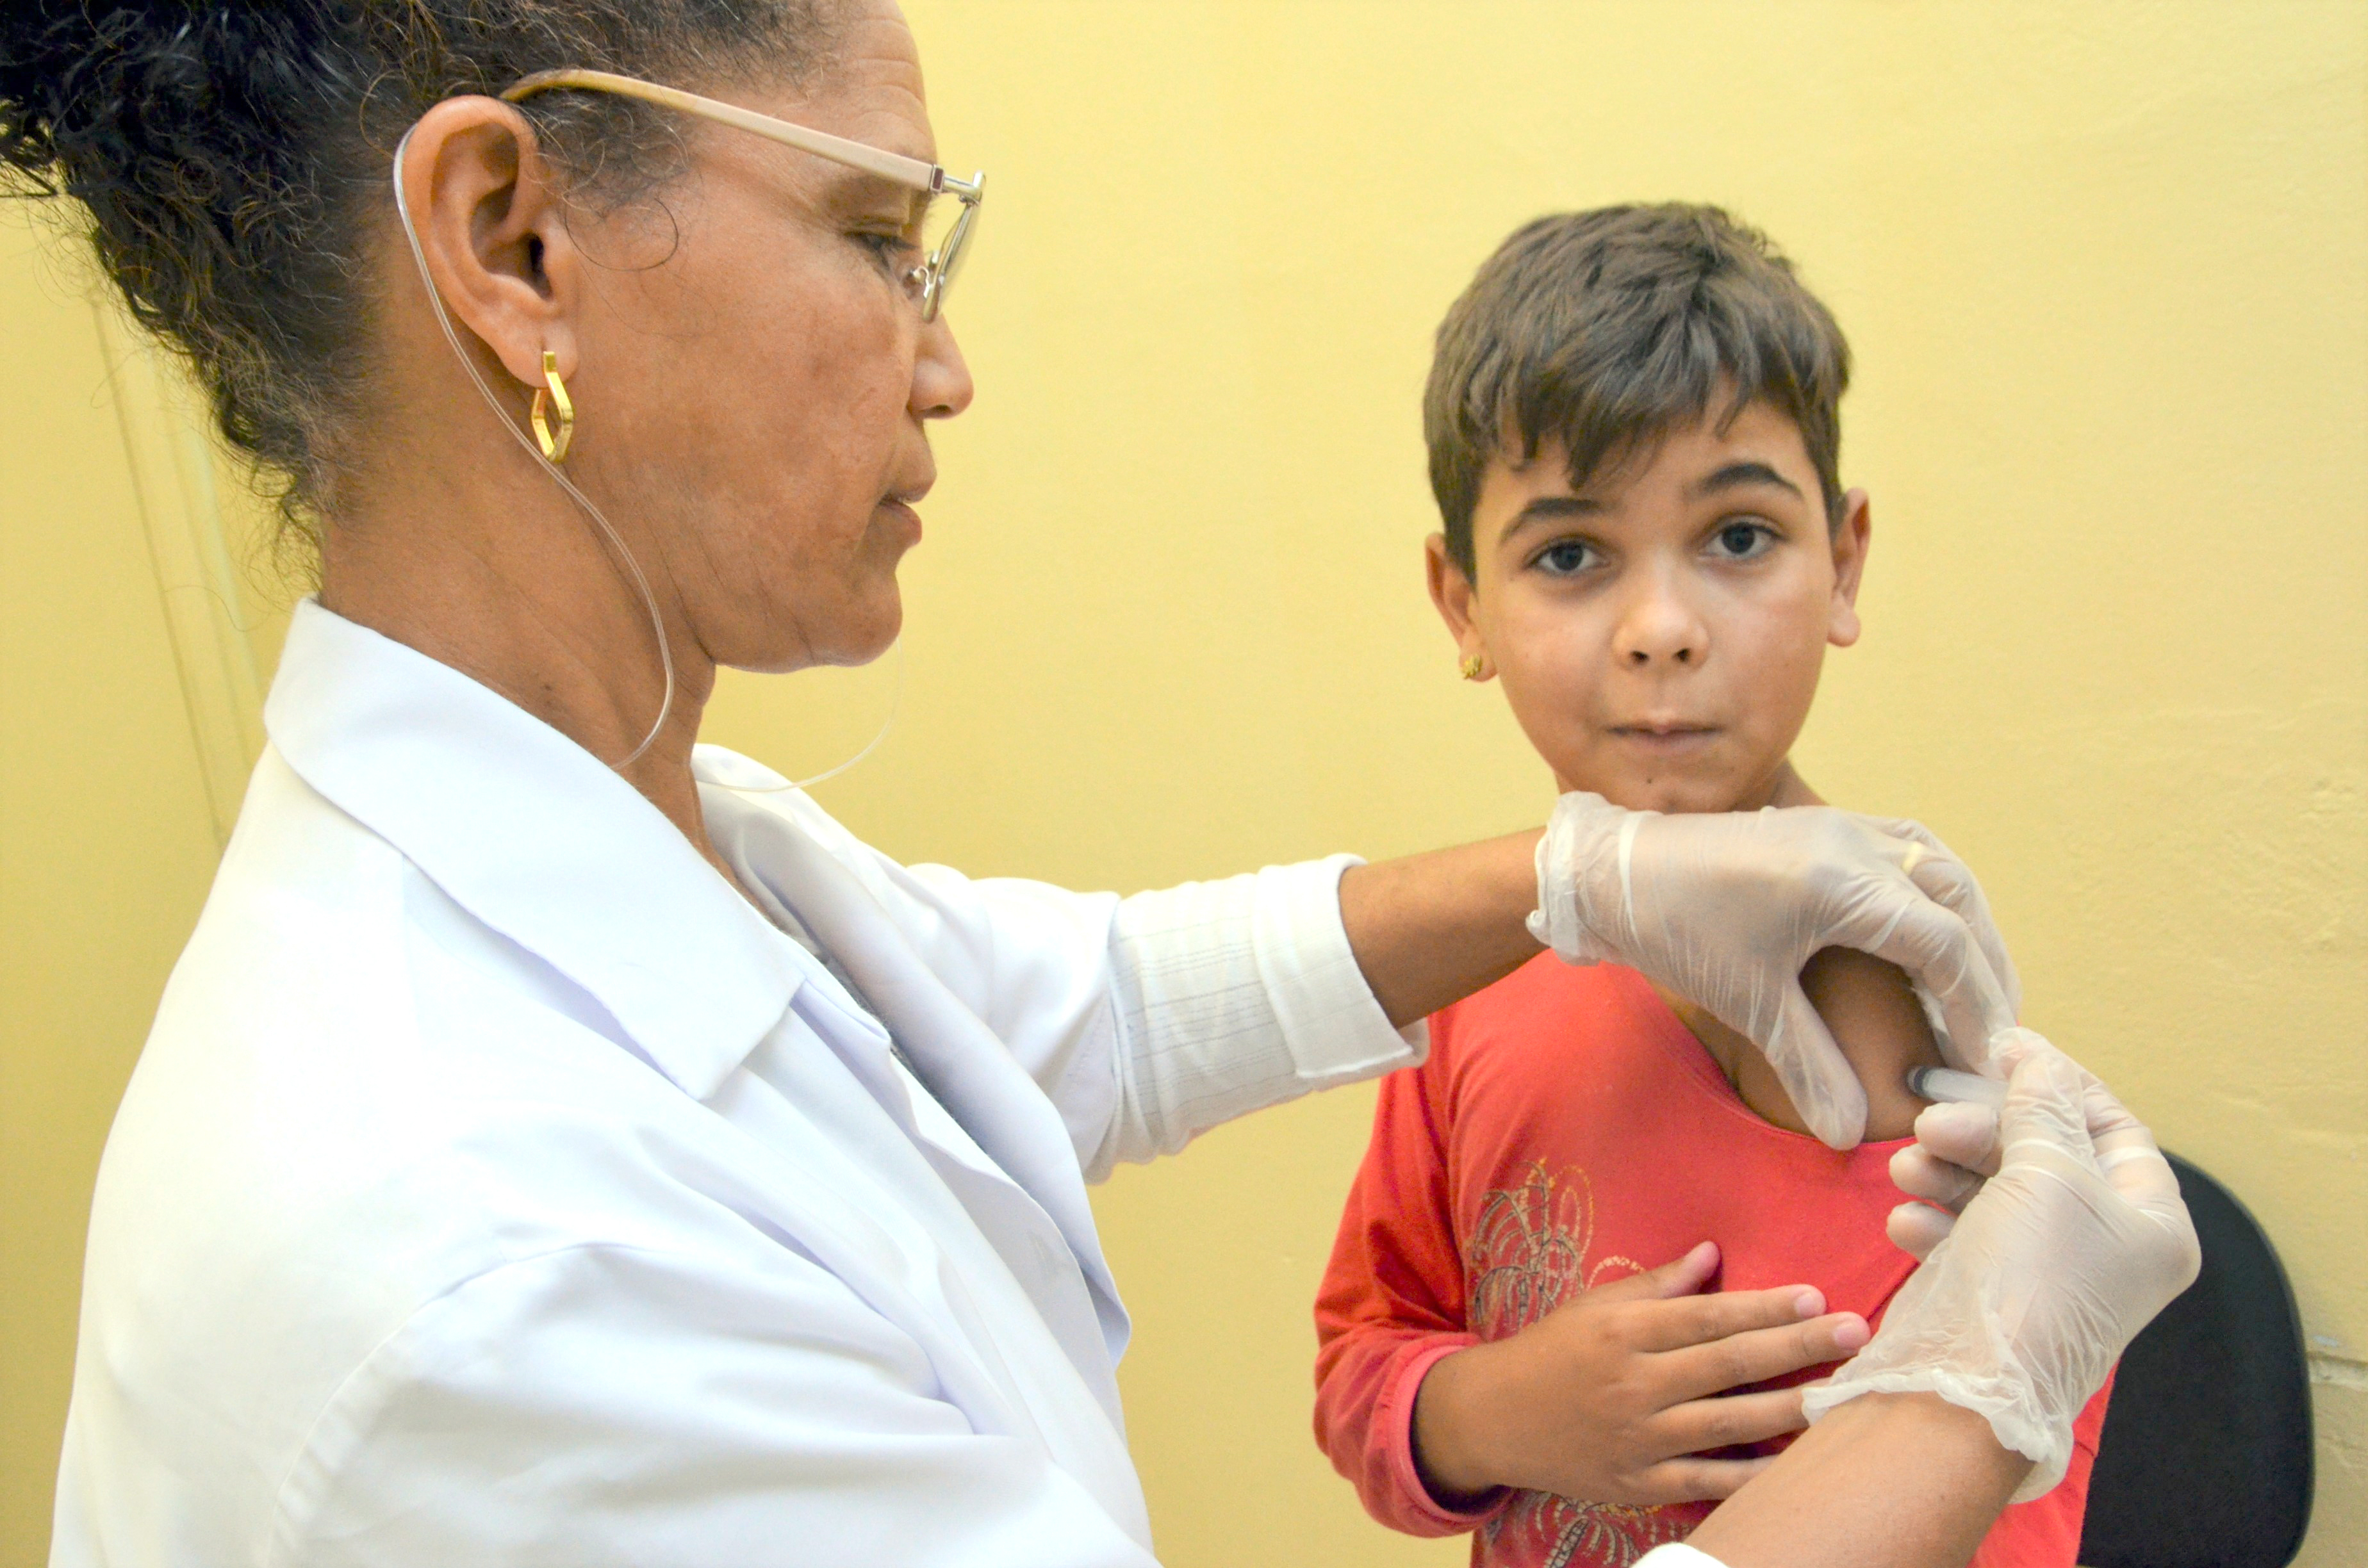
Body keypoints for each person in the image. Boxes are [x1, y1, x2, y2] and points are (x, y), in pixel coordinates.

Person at [0, 4, 2190, 1564]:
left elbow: (1105, 1004)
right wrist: (1969, 1376)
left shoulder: (684, 837)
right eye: (877, 235)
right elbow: (1371, 1355)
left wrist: (1577, 871)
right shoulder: (487, 1272)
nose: (941, 358)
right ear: (514, 243)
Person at [1312, 206, 2109, 1566]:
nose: (1664, 631)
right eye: (1570, 556)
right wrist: (1496, 1412)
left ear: (1843, 560)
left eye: (1738, 537)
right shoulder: (1474, 981)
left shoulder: (1950, 1061)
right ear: (1462, 605)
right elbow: (1362, 1369)